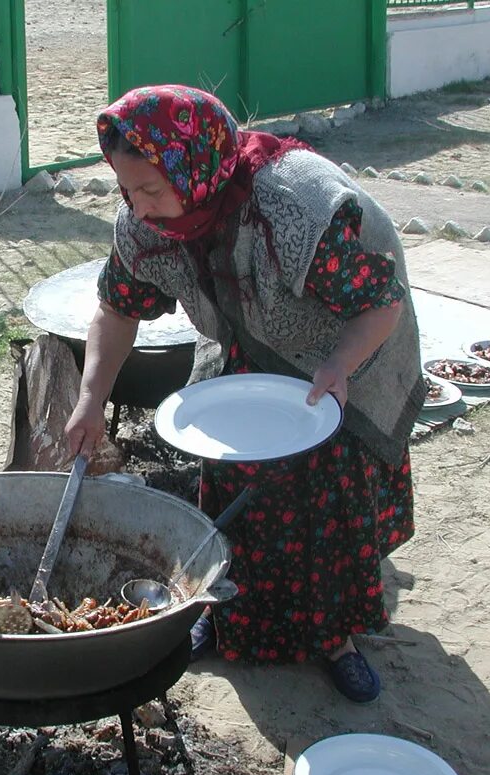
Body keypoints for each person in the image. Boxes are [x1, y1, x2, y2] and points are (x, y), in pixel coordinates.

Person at [65, 86, 423, 704]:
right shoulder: (146, 225)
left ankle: (333, 638)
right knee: (235, 488)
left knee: (322, 499)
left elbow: (380, 302)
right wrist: (91, 396)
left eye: (151, 189)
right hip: (247, 346)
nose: (139, 206)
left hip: (340, 351)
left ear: (194, 166)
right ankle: (227, 617)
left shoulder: (293, 206)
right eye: (128, 190)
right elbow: (116, 309)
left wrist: (339, 366)